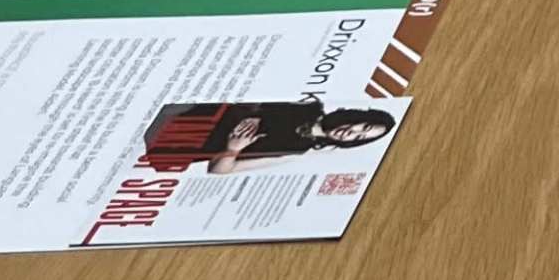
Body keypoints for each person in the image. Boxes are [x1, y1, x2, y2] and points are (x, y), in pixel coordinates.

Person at [134, 101, 398, 176]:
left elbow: (219, 171)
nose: (352, 133)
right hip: (175, 111)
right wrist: (250, 111)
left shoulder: (297, 151)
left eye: (360, 138)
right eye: (363, 126)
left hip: (177, 142)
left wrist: (233, 149)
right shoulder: (307, 105)